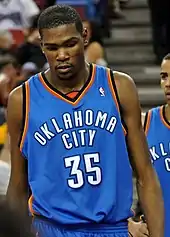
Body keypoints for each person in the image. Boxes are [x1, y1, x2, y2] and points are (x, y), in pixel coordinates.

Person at [6, 4, 164, 237]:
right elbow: (18, 186)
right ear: (41, 46)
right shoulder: (22, 99)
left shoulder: (119, 87)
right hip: (51, 229)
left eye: (70, 44)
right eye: (52, 47)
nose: (61, 55)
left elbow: (146, 175)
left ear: (85, 36)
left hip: (112, 227)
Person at [133, 53, 170, 237]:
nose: (168, 83)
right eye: (164, 76)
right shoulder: (145, 124)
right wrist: (129, 223)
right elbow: (112, 178)